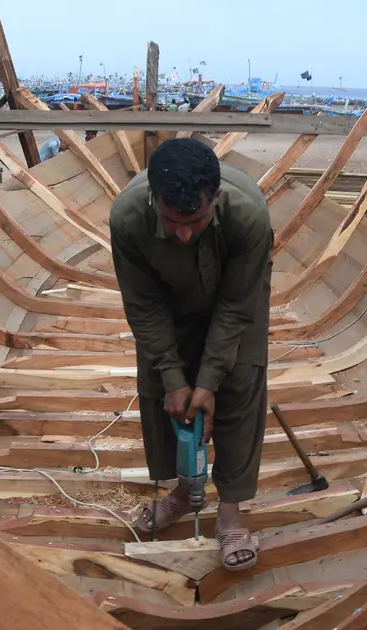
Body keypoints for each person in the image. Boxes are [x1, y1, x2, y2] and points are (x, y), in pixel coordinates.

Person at [109, 138, 272, 572]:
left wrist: (211, 379)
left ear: (215, 200)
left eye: (196, 222)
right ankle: (184, 492)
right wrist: (176, 378)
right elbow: (143, 307)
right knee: (167, 394)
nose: (182, 234)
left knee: (240, 382)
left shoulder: (249, 218)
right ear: (152, 199)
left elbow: (238, 307)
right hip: (166, 297)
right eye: (170, 221)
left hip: (237, 292)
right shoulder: (127, 219)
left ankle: (230, 514)